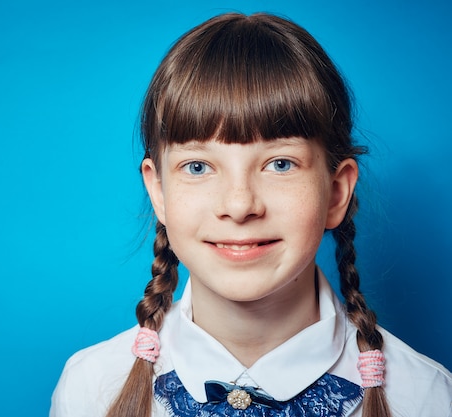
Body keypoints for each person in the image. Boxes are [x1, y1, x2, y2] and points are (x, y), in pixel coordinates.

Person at [50, 12, 452, 417]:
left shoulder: (427, 398)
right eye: (198, 166)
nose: (240, 206)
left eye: (280, 164)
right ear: (158, 191)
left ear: (335, 192)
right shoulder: (90, 388)